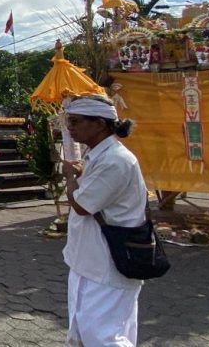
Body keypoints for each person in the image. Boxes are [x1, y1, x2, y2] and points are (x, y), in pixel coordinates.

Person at [61, 94, 145, 347]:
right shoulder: (98, 155)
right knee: (84, 330)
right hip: (89, 260)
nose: (70, 128)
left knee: (104, 336)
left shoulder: (115, 160)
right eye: (69, 121)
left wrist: (70, 178)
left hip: (108, 263)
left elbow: (82, 205)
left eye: (76, 121)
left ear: (99, 123)